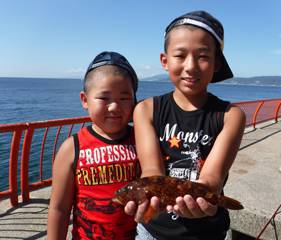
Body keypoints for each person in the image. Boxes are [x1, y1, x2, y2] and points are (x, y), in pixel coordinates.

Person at [125, 10, 246, 239]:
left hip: (208, 231)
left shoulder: (231, 116)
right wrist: (147, 199)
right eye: (180, 55)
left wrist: (206, 194)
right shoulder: (145, 110)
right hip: (153, 232)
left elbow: (212, 179)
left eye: (202, 56)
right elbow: (151, 172)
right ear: (164, 60)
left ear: (216, 63)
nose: (190, 66)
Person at [47, 51, 140, 240]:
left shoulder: (143, 141)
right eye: (104, 98)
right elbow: (59, 209)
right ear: (84, 100)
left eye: (124, 98)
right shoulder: (72, 148)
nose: (114, 107)